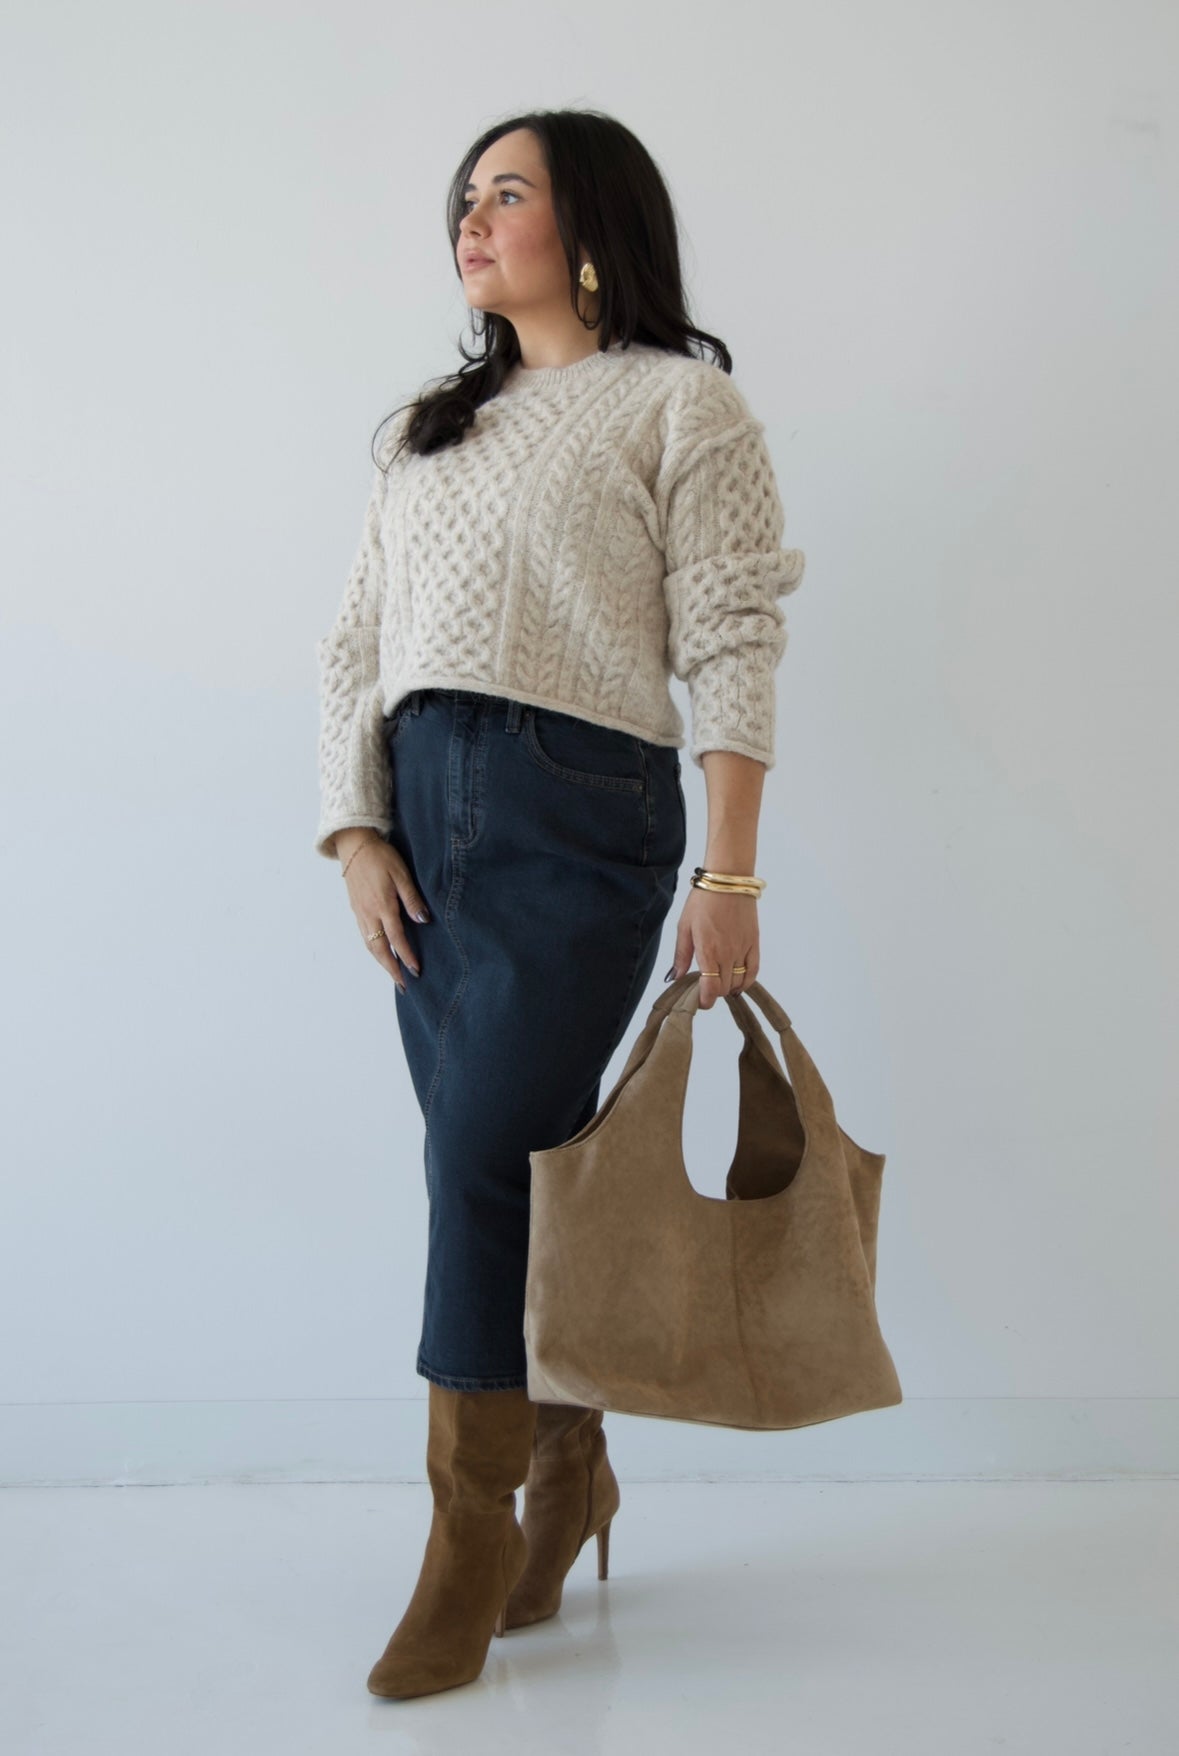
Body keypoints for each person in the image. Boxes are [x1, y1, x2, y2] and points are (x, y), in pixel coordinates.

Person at [313, 108, 806, 1700]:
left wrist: (729, 873)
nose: (473, 219)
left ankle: (464, 1538)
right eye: (464, 198)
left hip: (578, 813)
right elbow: (354, 645)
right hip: (425, 821)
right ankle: (569, 1466)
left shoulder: (680, 404)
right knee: (511, 1165)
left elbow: (733, 635)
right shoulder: (425, 432)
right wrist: (354, 832)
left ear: (589, 221)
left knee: (478, 1156)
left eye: (505, 193)